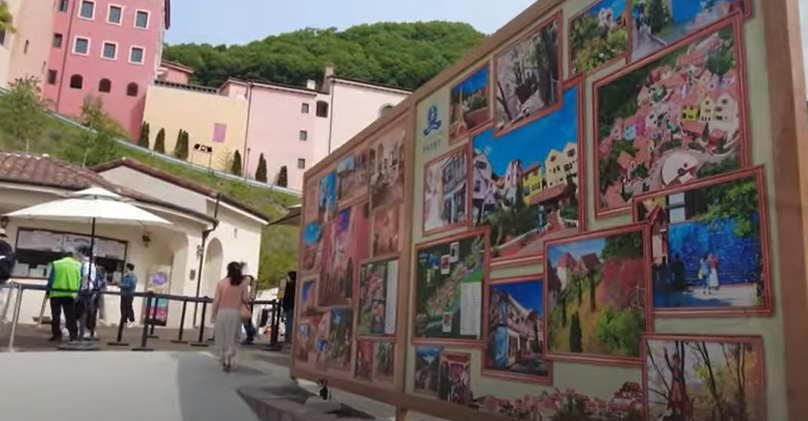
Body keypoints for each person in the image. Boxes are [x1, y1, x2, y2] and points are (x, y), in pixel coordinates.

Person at [211, 261, 249, 372]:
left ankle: (222, 356)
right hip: (235, 312)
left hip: (222, 312)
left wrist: (213, 313)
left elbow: (216, 300)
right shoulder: (242, 284)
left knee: (221, 335)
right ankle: (229, 356)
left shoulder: (221, 283)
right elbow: (245, 299)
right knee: (232, 336)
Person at [46, 249, 82, 342]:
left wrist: (48, 291)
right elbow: (80, 280)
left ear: (63, 256)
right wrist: (78, 292)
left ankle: (56, 334)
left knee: (55, 316)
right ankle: (73, 335)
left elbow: (51, 279)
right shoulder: (78, 265)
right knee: (70, 316)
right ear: (72, 256)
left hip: (56, 293)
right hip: (70, 293)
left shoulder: (56, 263)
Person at [75, 245, 102, 339]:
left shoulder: (87, 265)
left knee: (84, 311)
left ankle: (86, 331)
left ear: (83, 254)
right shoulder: (87, 265)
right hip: (87, 290)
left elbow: (84, 278)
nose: (77, 255)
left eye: (79, 253)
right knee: (83, 311)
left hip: (87, 291)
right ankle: (83, 330)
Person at [240, 262, 257, 344]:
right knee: (247, 318)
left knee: (245, 319)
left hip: (244, 302)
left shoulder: (244, 280)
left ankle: (250, 334)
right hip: (248, 301)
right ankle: (251, 333)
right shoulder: (250, 280)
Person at [0, 228, 15, 310]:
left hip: (3, 277)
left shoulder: (6, 247)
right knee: (2, 301)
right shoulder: (7, 248)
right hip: (3, 278)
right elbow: (10, 262)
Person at [282, 271, 297, 345]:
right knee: (292, 322)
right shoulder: (297, 285)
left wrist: (284, 306)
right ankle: (291, 338)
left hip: (289, 306)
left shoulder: (288, 285)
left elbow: (285, 296)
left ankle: (288, 338)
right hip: (295, 305)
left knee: (289, 322)